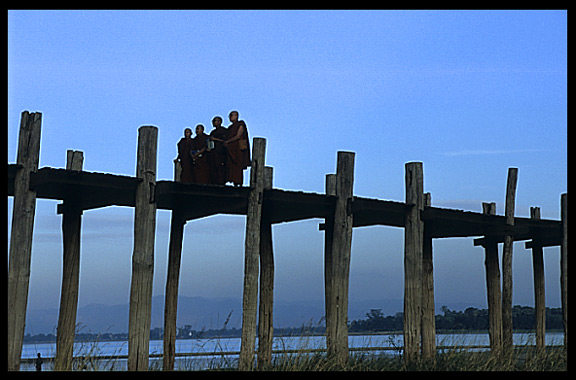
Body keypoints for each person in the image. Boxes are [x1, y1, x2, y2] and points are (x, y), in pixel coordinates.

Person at [224, 111, 250, 187]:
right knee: (231, 166)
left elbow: (238, 136)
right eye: (230, 116)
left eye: (232, 115)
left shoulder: (240, 124)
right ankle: (234, 182)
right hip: (231, 149)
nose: (230, 117)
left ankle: (239, 182)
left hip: (237, 149)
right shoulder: (230, 128)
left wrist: (228, 141)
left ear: (237, 116)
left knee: (238, 165)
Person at [208, 116, 228, 185]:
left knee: (221, 168)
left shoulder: (224, 131)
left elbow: (225, 141)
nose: (214, 123)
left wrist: (215, 139)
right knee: (214, 167)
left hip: (221, 152)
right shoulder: (213, 132)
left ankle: (222, 182)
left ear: (220, 122)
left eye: (215, 121)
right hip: (214, 152)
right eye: (213, 121)